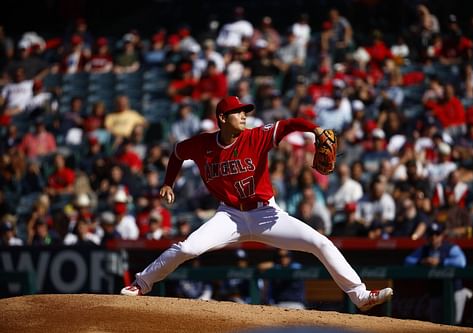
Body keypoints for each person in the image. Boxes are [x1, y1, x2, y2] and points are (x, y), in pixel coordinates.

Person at [121, 96, 393, 311]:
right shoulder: (202, 144)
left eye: (245, 111)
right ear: (221, 118)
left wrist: (316, 129)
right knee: (188, 248)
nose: (244, 115)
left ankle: (359, 295)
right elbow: (177, 153)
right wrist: (168, 182)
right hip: (229, 216)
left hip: (266, 214)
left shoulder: (256, 136)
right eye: (238, 112)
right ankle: (141, 283)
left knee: (321, 243)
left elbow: (287, 125)